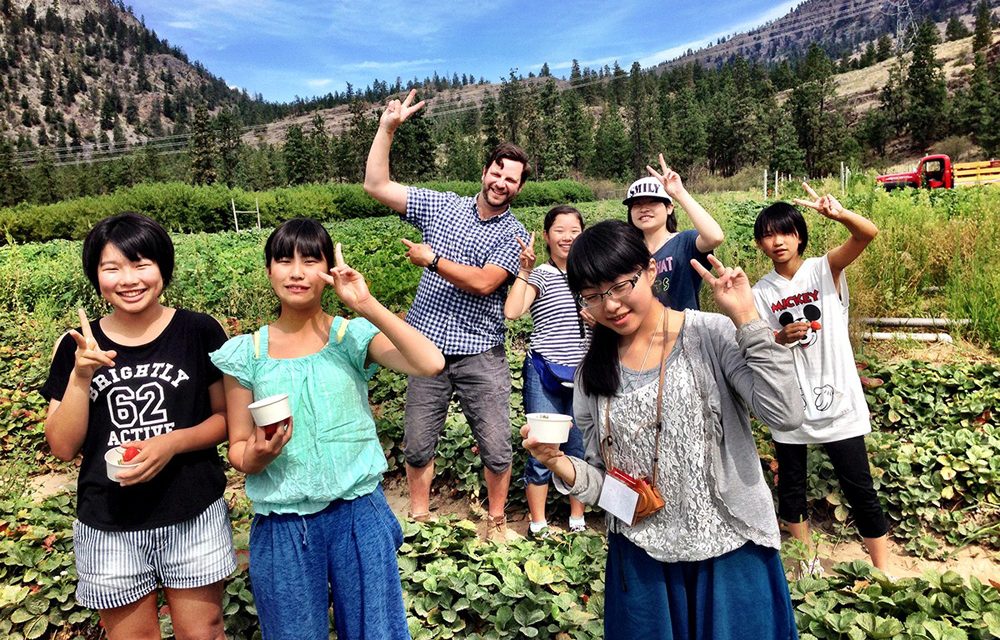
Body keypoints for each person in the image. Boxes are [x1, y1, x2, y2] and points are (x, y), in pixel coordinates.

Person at [522, 219, 803, 640]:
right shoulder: (591, 375)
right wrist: (558, 463)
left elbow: (784, 414)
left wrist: (747, 318)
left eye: (620, 286)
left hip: (731, 549)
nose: (610, 305)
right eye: (593, 295)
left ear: (651, 271)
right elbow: (607, 484)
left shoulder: (710, 334)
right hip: (642, 561)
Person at [209, 218, 444, 640]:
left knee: (377, 632)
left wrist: (366, 304)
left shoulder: (350, 336)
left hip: (358, 513)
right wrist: (257, 455)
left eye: (310, 260)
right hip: (284, 523)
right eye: (284, 260)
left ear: (328, 270)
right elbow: (239, 449)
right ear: (269, 269)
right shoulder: (246, 353)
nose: (297, 272)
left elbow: (430, 363)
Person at [40, 212, 235, 640]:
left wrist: (172, 443)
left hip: (193, 512)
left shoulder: (199, 331)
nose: (128, 279)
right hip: (108, 522)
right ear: (96, 276)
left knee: (203, 632)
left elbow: (226, 419)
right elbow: (62, 447)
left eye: (141, 264)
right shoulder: (77, 345)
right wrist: (80, 376)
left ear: (163, 267)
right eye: (112, 268)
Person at [364, 89, 530, 540]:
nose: (501, 182)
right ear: (485, 171)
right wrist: (387, 129)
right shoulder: (442, 206)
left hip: (481, 352)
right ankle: (420, 518)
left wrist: (433, 260)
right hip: (425, 349)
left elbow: (485, 282)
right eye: (497, 172)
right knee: (418, 442)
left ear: (519, 188)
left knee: (496, 445)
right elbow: (377, 186)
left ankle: (496, 521)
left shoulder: (514, 233)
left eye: (511, 179)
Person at [750, 184, 890, 575]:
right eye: (768, 235)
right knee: (791, 489)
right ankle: (807, 565)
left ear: (800, 236)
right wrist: (779, 337)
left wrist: (840, 214)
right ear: (760, 244)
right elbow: (758, 342)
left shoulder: (823, 269)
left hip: (838, 400)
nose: (777, 241)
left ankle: (883, 571)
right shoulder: (761, 292)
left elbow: (867, 234)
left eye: (785, 232)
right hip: (790, 403)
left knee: (859, 487)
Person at [504, 205, 590, 538]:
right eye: (559, 230)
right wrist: (524, 270)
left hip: (585, 374)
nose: (567, 237)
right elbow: (513, 310)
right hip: (545, 372)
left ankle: (577, 518)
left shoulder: (592, 272)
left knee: (579, 449)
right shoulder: (540, 273)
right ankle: (538, 523)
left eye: (574, 231)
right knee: (542, 448)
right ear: (546, 235)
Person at [625, 154, 725, 311]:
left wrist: (679, 193)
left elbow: (715, 237)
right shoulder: (628, 253)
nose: (644, 208)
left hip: (683, 326)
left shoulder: (685, 242)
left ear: (669, 208)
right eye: (636, 204)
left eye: (652, 202)